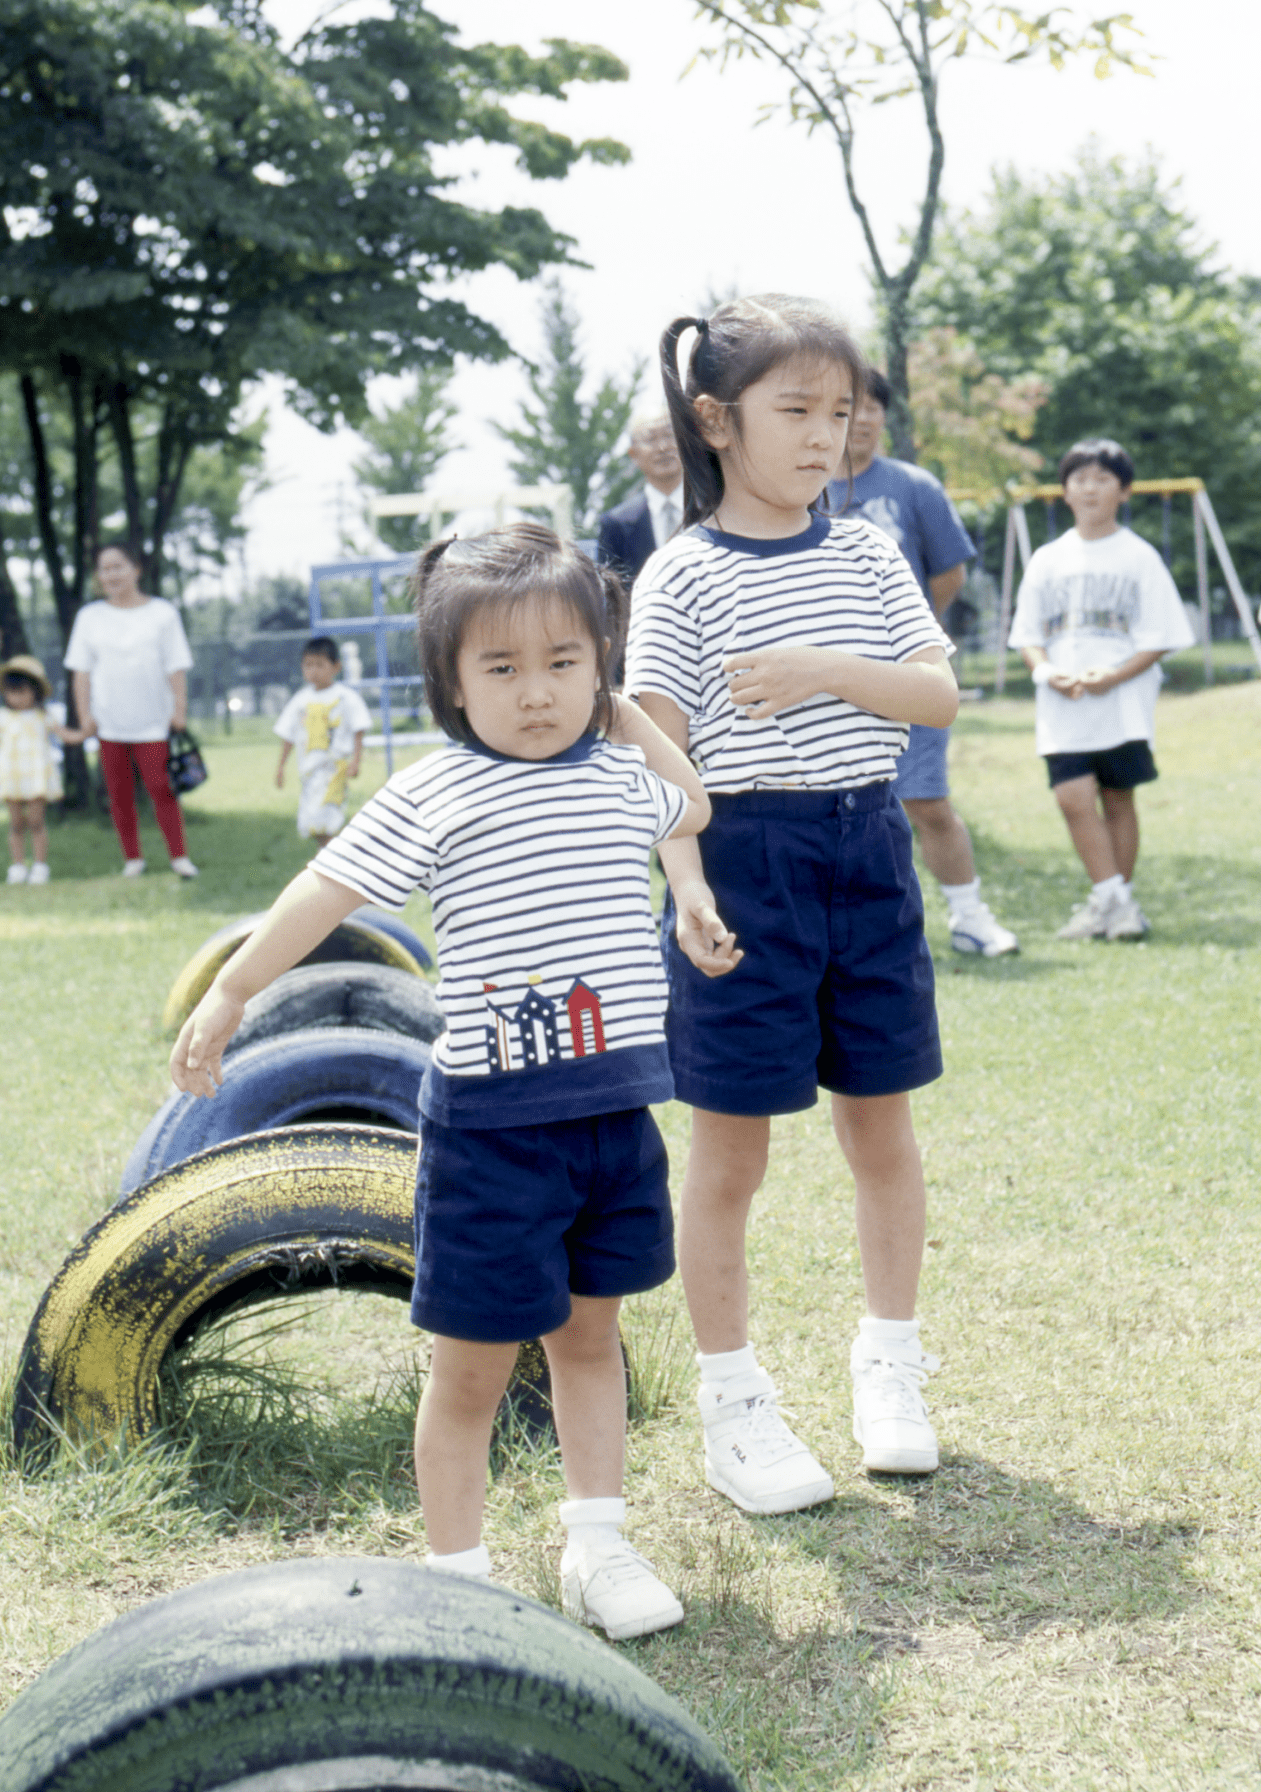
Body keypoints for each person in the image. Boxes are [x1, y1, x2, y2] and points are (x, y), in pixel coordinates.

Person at [170, 525, 715, 1642]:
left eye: (564, 662)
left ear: (600, 668)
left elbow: (695, 805)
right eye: (501, 668)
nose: (536, 693)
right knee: (472, 1368)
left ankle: (597, 1547)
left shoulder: (622, 779)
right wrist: (230, 991)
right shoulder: (435, 792)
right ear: (451, 683)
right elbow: (323, 893)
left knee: (589, 1340)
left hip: (615, 1120)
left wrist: (621, 711)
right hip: (491, 1140)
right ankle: (455, 1583)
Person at [625, 294, 959, 1512]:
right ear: (716, 420)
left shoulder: (866, 552)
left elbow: (934, 696)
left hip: (865, 851)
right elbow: (660, 759)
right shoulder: (677, 575)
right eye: (796, 411)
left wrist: (821, 670)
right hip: (742, 864)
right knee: (730, 1152)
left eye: (841, 411)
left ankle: (890, 1366)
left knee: (881, 1129)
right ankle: (733, 1404)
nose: (826, 435)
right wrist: (687, 891)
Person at [825, 369, 1017, 957]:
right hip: (820, 682)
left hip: (909, 678)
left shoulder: (913, 486)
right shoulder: (798, 487)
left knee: (926, 800)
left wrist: (904, 635)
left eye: (872, 407)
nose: (860, 419)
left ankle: (970, 916)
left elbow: (949, 573)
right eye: (847, 407)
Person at [1009, 439, 1193, 940]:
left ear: (1124, 491)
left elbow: (1161, 637)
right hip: (1062, 705)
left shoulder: (1139, 557)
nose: (1089, 488)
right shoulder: (1047, 559)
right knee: (1072, 798)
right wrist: (1048, 673)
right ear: (1065, 490)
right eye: (1079, 478)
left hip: (1121, 704)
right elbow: (1027, 636)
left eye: (1102, 478)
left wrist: (1113, 676)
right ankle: (1116, 903)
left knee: (1117, 799)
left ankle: (1112, 908)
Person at [64, 541, 199, 879]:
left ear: (136, 570)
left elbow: (176, 665)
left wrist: (179, 709)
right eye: (104, 569)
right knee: (118, 794)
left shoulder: (163, 613)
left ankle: (179, 857)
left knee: (162, 789)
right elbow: (81, 672)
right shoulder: (89, 617)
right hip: (109, 722)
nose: (111, 575)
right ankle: (133, 860)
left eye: (118, 567)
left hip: (154, 722)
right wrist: (85, 716)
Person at [0, 656, 82, 884]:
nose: (17, 697)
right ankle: (17, 866)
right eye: (12, 692)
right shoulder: (1, 718)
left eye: (22, 691)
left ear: (35, 691)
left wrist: (85, 733)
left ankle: (39, 866)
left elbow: (65, 735)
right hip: (11, 777)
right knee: (16, 823)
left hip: (37, 777)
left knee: (37, 821)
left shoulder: (43, 716)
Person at [273, 637, 371, 846]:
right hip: (309, 772)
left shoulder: (345, 697)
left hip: (334, 771)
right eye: (308, 665)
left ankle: (332, 856)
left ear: (336, 667)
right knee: (312, 823)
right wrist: (281, 767)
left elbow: (359, 728)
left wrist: (356, 761)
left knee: (326, 819)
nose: (313, 671)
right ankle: (331, 854)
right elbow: (288, 735)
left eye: (320, 665)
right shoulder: (301, 700)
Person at [595, 411, 685, 591]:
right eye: (650, 439)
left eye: (669, 435)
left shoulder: (715, 508)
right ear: (633, 454)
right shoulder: (615, 524)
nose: (662, 447)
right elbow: (613, 596)